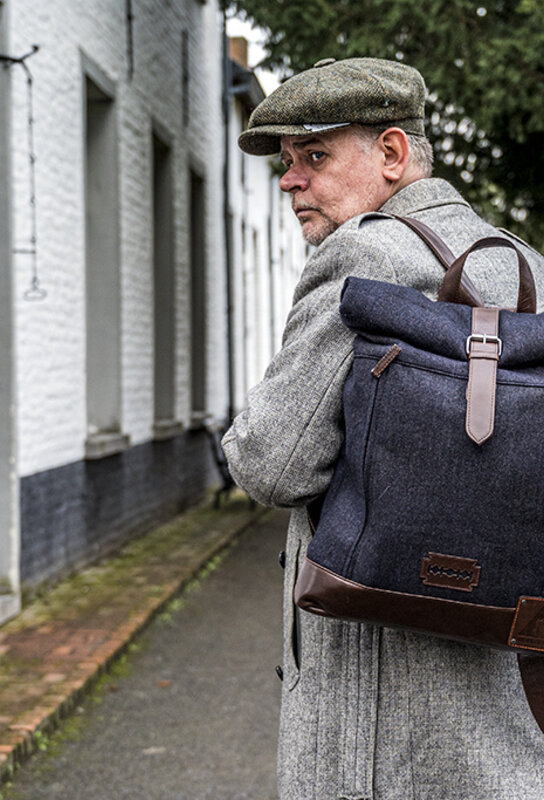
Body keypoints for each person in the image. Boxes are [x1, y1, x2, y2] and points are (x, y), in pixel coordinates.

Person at [222, 57, 544, 800]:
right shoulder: (526, 265)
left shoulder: (366, 252)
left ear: (392, 154)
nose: (289, 180)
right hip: (512, 694)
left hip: (378, 720)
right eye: (286, 162)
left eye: (314, 156)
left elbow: (271, 463)